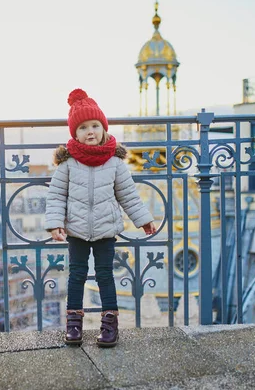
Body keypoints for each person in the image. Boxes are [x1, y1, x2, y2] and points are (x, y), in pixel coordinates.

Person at [45, 88, 156, 347]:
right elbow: (56, 195)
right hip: (77, 231)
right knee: (77, 275)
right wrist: (55, 224)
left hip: (106, 230)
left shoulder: (115, 162)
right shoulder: (68, 163)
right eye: (83, 127)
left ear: (104, 128)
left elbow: (128, 195)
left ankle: (109, 324)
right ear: (75, 133)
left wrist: (144, 219)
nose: (90, 131)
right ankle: (74, 324)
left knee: (106, 275)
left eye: (95, 125)